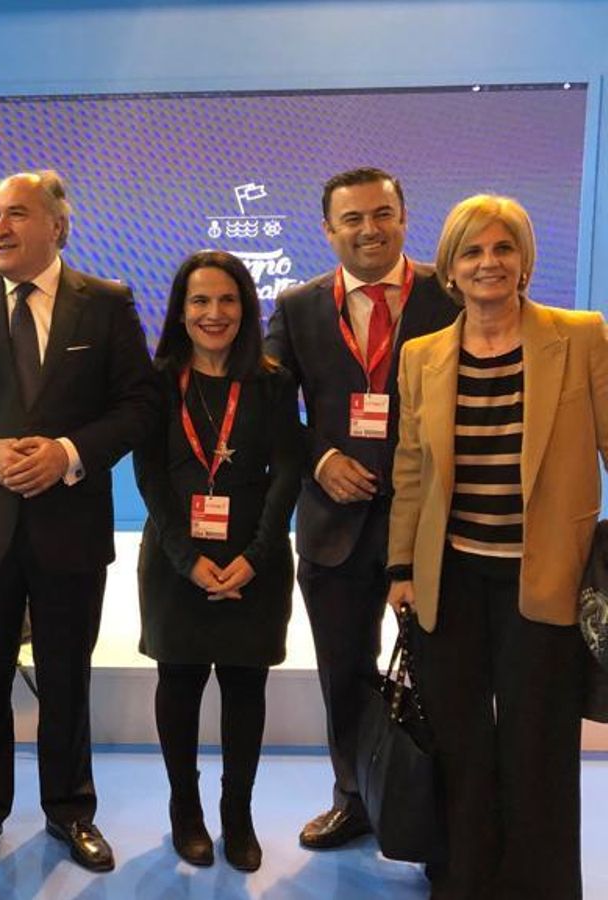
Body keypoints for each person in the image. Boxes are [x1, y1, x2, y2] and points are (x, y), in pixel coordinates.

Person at [0, 170, 159, 871]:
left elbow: (139, 405)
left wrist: (69, 454)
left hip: (69, 528)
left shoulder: (105, 305)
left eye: (15, 214)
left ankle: (71, 812)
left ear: (59, 225)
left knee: (67, 680)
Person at [388, 194, 607, 899]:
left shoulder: (579, 336)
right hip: (448, 580)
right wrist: (400, 569)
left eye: (502, 248)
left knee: (537, 747)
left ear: (523, 261)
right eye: (473, 251)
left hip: (544, 580)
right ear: (450, 269)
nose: (489, 263)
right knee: (460, 744)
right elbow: (412, 470)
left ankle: (541, 887)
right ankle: (464, 879)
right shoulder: (423, 355)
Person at [264, 167, 458, 849]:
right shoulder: (297, 306)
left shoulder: (451, 292)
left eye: (382, 214)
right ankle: (356, 797)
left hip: (433, 525)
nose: (369, 230)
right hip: (333, 525)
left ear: (405, 217)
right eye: (353, 219)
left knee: (440, 676)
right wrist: (320, 458)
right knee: (343, 673)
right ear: (328, 229)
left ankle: (441, 814)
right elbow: (266, 405)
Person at [133, 251, 301, 871]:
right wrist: (187, 558)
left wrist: (256, 557)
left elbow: (287, 471)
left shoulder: (272, 380)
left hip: (253, 559)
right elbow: (148, 474)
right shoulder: (157, 382)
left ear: (245, 308)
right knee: (177, 684)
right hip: (178, 561)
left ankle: (238, 813)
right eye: (199, 301)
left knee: (244, 687)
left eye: (227, 300)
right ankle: (186, 811)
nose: (213, 313)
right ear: (181, 310)